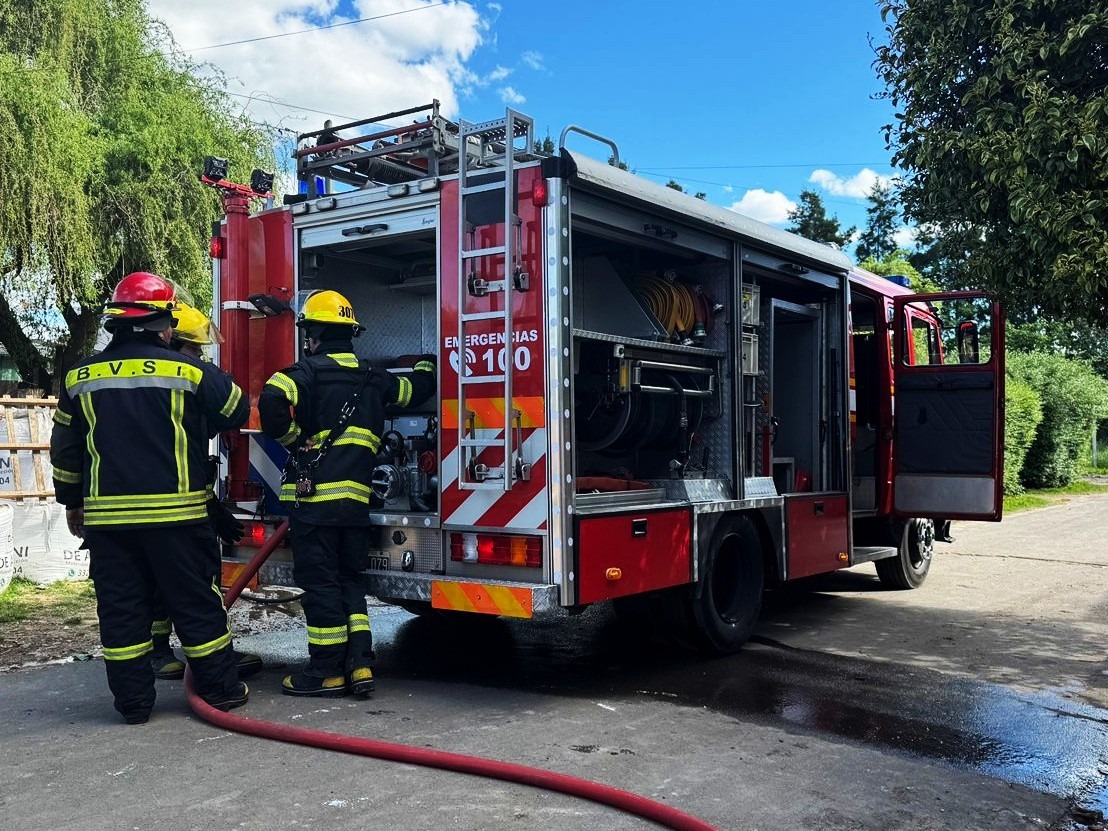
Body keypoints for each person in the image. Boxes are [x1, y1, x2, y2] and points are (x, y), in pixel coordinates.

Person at [50, 272, 251, 724]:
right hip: (177, 518)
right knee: (196, 604)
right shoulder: (187, 371)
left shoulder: (80, 376)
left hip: (108, 524)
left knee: (122, 614)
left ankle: (134, 705)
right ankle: (222, 692)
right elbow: (236, 408)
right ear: (164, 326)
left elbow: (65, 448)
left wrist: (72, 502)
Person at [259, 289, 435, 698]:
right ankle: (359, 665)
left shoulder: (303, 372)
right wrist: (428, 360)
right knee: (350, 582)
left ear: (314, 333)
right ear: (349, 333)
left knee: (320, 585)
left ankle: (325, 671)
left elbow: (271, 399)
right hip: (355, 505)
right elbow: (414, 391)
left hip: (315, 506)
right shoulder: (374, 378)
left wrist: (294, 438)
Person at [147, 303, 262, 683]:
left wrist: (211, 506)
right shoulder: (171, 384)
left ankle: (207, 654)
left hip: (185, 500)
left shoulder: (174, 388)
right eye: (195, 351)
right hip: (169, 510)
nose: (199, 359)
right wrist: (206, 372)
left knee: (188, 581)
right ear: (171, 342)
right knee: (181, 583)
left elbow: (188, 455)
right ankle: (166, 654)